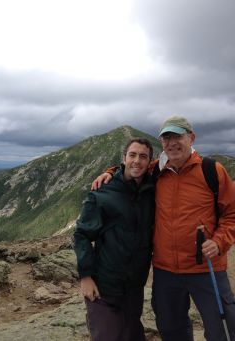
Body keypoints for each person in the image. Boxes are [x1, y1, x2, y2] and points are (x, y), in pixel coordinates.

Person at [92, 116, 235, 341]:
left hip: (206, 268)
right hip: (166, 270)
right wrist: (111, 172)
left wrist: (219, 242)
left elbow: (232, 214)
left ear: (191, 138)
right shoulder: (157, 170)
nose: (172, 143)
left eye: (177, 136)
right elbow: (132, 168)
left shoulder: (212, 171)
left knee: (223, 330)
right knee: (171, 330)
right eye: (166, 138)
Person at [74, 138, 155, 341]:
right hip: (104, 288)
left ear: (150, 162)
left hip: (134, 288)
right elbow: (82, 234)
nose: (137, 161)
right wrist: (85, 276)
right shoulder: (102, 193)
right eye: (132, 155)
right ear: (124, 159)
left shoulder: (152, 191)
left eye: (143, 156)